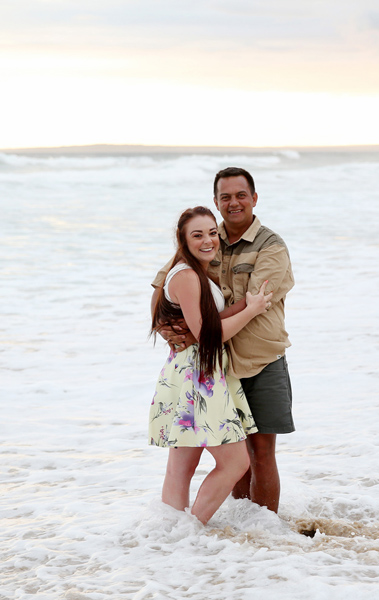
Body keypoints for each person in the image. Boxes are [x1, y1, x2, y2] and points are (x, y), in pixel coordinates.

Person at [153, 167, 295, 513]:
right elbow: (164, 282)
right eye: (225, 197)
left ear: (254, 198)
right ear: (216, 201)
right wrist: (163, 323)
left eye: (241, 195)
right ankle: (236, 523)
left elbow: (255, 299)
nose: (234, 202)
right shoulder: (206, 239)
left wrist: (199, 330)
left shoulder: (271, 247)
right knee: (234, 453)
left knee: (260, 452)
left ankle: (264, 527)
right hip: (215, 367)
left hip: (260, 360)